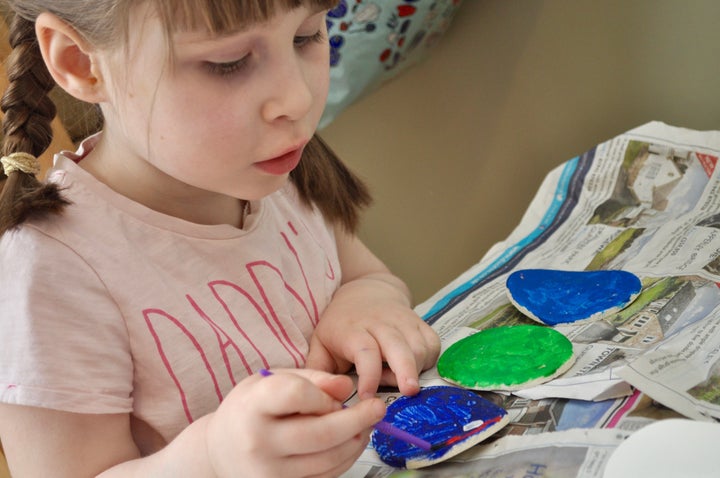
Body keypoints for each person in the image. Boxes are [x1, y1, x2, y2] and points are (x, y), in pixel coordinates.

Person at [0, 0, 441, 476]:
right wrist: (212, 457)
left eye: (308, 35)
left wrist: (366, 303)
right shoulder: (52, 267)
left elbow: (367, 277)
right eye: (227, 63)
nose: (295, 99)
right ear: (81, 62)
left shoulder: (277, 167)